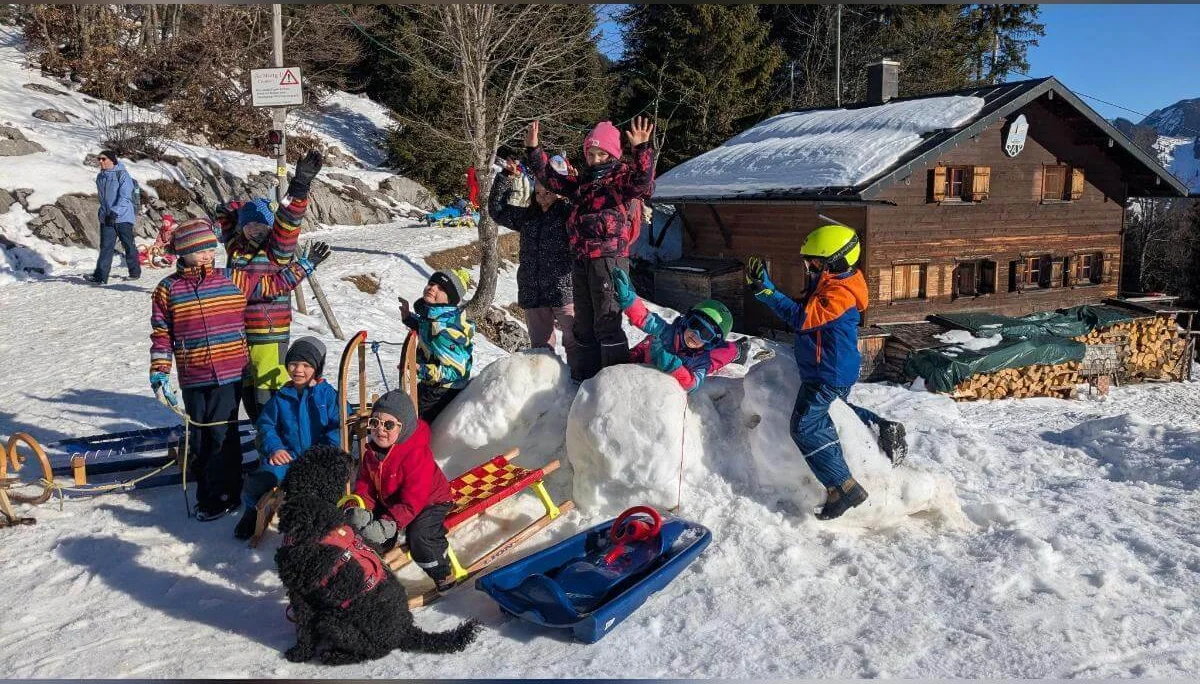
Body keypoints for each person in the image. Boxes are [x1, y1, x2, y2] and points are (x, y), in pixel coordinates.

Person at [149, 218, 332, 521]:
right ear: (183, 252)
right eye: (200, 251)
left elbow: (272, 285)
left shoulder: (232, 278)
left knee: (222, 434)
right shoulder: (168, 289)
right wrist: (159, 371)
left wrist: (305, 266)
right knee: (199, 436)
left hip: (230, 370)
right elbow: (161, 333)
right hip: (193, 373)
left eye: (210, 248)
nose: (208, 255)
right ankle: (206, 493)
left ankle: (226, 494)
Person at [745, 224, 908, 521]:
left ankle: (843, 487)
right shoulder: (832, 286)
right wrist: (766, 291)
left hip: (827, 373)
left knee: (805, 426)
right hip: (827, 368)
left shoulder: (840, 294)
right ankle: (880, 425)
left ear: (837, 263)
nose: (810, 267)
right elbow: (804, 312)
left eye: (816, 263)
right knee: (834, 410)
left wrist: (768, 292)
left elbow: (803, 318)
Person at [524, 117, 657, 381]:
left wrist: (642, 150)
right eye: (591, 153)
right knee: (582, 326)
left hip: (609, 259)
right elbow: (551, 180)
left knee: (607, 322)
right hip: (582, 260)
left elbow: (643, 182)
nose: (595, 159)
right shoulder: (583, 184)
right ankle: (585, 381)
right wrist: (534, 151)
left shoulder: (620, 180)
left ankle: (612, 381)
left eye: (601, 153)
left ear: (612, 154)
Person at [213, 150, 324, 422]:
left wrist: (299, 187)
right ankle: (262, 439)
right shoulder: (237, 250)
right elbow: (226, 222)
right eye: (251, 226)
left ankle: (277, 444)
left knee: (270, 398)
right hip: (241, 337)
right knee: (250, 398)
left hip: (269, 335)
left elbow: (288, 224)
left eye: (263, 226)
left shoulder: (276, 252)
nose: (257, 230)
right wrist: (231, 213)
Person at [342, 389, 457, 592]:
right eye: (374, 422)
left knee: (420, 536)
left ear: (404, 428)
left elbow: (413, 499)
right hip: (394, 501)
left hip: (429, 501)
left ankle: (442, 572)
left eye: (388, 425)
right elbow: (366, 484)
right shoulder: (372, 452)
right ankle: (370, 566)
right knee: (363, 528)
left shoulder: (415, 454)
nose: (380, 430)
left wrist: (389, 523)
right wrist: (362, 507)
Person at [233, 336, 342, 540]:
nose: (298, 370)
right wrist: (275, 448)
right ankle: (251, 511)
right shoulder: (282, 396)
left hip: (318, 461)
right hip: (288, 457)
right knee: (261, 478)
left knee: (321, 490)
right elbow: (266, 425)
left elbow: (339, 428)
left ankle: (320, 523)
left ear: (317, 368)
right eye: (293, 363)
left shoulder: (328, 396)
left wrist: (322, 454)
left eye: (306, 365)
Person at [488, 158, 576, 369]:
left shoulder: (570, 214)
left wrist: (574, 184)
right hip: (533, 291)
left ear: (560, 191)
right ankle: (547, 390)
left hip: (564, 290)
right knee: (540, 349)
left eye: (548, 193)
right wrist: (505, 178)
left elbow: (586, 206)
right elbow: (497, 210)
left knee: (576, 342)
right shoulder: (529, 216)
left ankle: (579, 382)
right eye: (538, 193)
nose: (543, 199)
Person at [611, 267, 747, 392]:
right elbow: (644, 318)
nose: (696, 334)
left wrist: (674, 367)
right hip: (651, 355)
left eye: (705, 334)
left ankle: (739, 349)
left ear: (711, 342)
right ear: (686, 320)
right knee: (645, 346)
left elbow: (693, 385)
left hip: (689, 364)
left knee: (719, 356)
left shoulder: (701, 362)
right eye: (695, 325)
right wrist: (628, 299)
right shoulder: (667, 333)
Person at [399, 270, 474, 423]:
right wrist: (408, 318)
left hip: (445, 389)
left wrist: (422, 369)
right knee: (405, 410)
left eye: (441, 288)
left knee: (411, 421)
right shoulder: (434, 318)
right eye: (432, 284)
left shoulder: (444, 330)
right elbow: (426, 330)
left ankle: (416, 445)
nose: (433, 288)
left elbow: (455, 372)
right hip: (433, 383)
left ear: (450, 299)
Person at [87, 150, 141, 284]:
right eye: (99, 159)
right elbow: (103, 199)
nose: (100, 161)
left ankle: (134, 272)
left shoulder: (122, 174)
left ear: (112, 160)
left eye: (103, 159)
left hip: (123, 217)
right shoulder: (101, 177)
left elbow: (125, 197)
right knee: (106, 247)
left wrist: (115, 212)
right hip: (107, 217)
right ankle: (100, 277)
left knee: (128, 245)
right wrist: (103, 213)